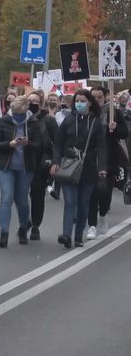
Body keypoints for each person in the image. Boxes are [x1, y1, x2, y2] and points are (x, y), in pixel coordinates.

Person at [51, 89, 107, 248]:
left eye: (82, 101)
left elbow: (102, 147)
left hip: (88, 169)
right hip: (69, 167)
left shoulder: (95, 122)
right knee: (70, 202)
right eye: (77, 101)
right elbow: (58, 142)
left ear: (89, 102)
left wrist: (102, 166)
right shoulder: (69, 119)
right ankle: (66, 235)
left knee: (83, 204)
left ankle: (78, 236)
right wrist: (56, 161)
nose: (79, 104)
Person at [0, 96, 42, 247]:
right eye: (15, 113)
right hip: (6, 166)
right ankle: (4, 233)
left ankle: (22, 228)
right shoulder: (4, 121)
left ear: (26, 110)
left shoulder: (33, 123)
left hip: (25, 167)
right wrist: (10, 144)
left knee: (22, 200)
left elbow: (39, 145)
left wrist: (28, 143)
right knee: (6, 197)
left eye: (20, 114)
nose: (17, 117)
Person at [85, 86, 128, 240]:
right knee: (91, 193)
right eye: (93, 97)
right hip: (89, 160)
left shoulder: (112, 113)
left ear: (105, 98)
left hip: (109, 160)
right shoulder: (86, 114)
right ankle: (91, 225)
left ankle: (103, 214)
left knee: (104, 191)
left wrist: (115, 128)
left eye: (99, 97)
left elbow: (125, 133)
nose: (96, 100)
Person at [27, 90, 58, 240]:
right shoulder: (21, 119)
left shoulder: (48, 120)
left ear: (41, 104)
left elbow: (57, 142)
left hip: (40, 163)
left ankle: (35, 225)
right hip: (23, 162)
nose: (32, 104)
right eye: (29, 101)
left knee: (37, 194)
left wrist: (54, 161)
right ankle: (25, 219)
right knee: (20, 196)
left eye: (35, 102)